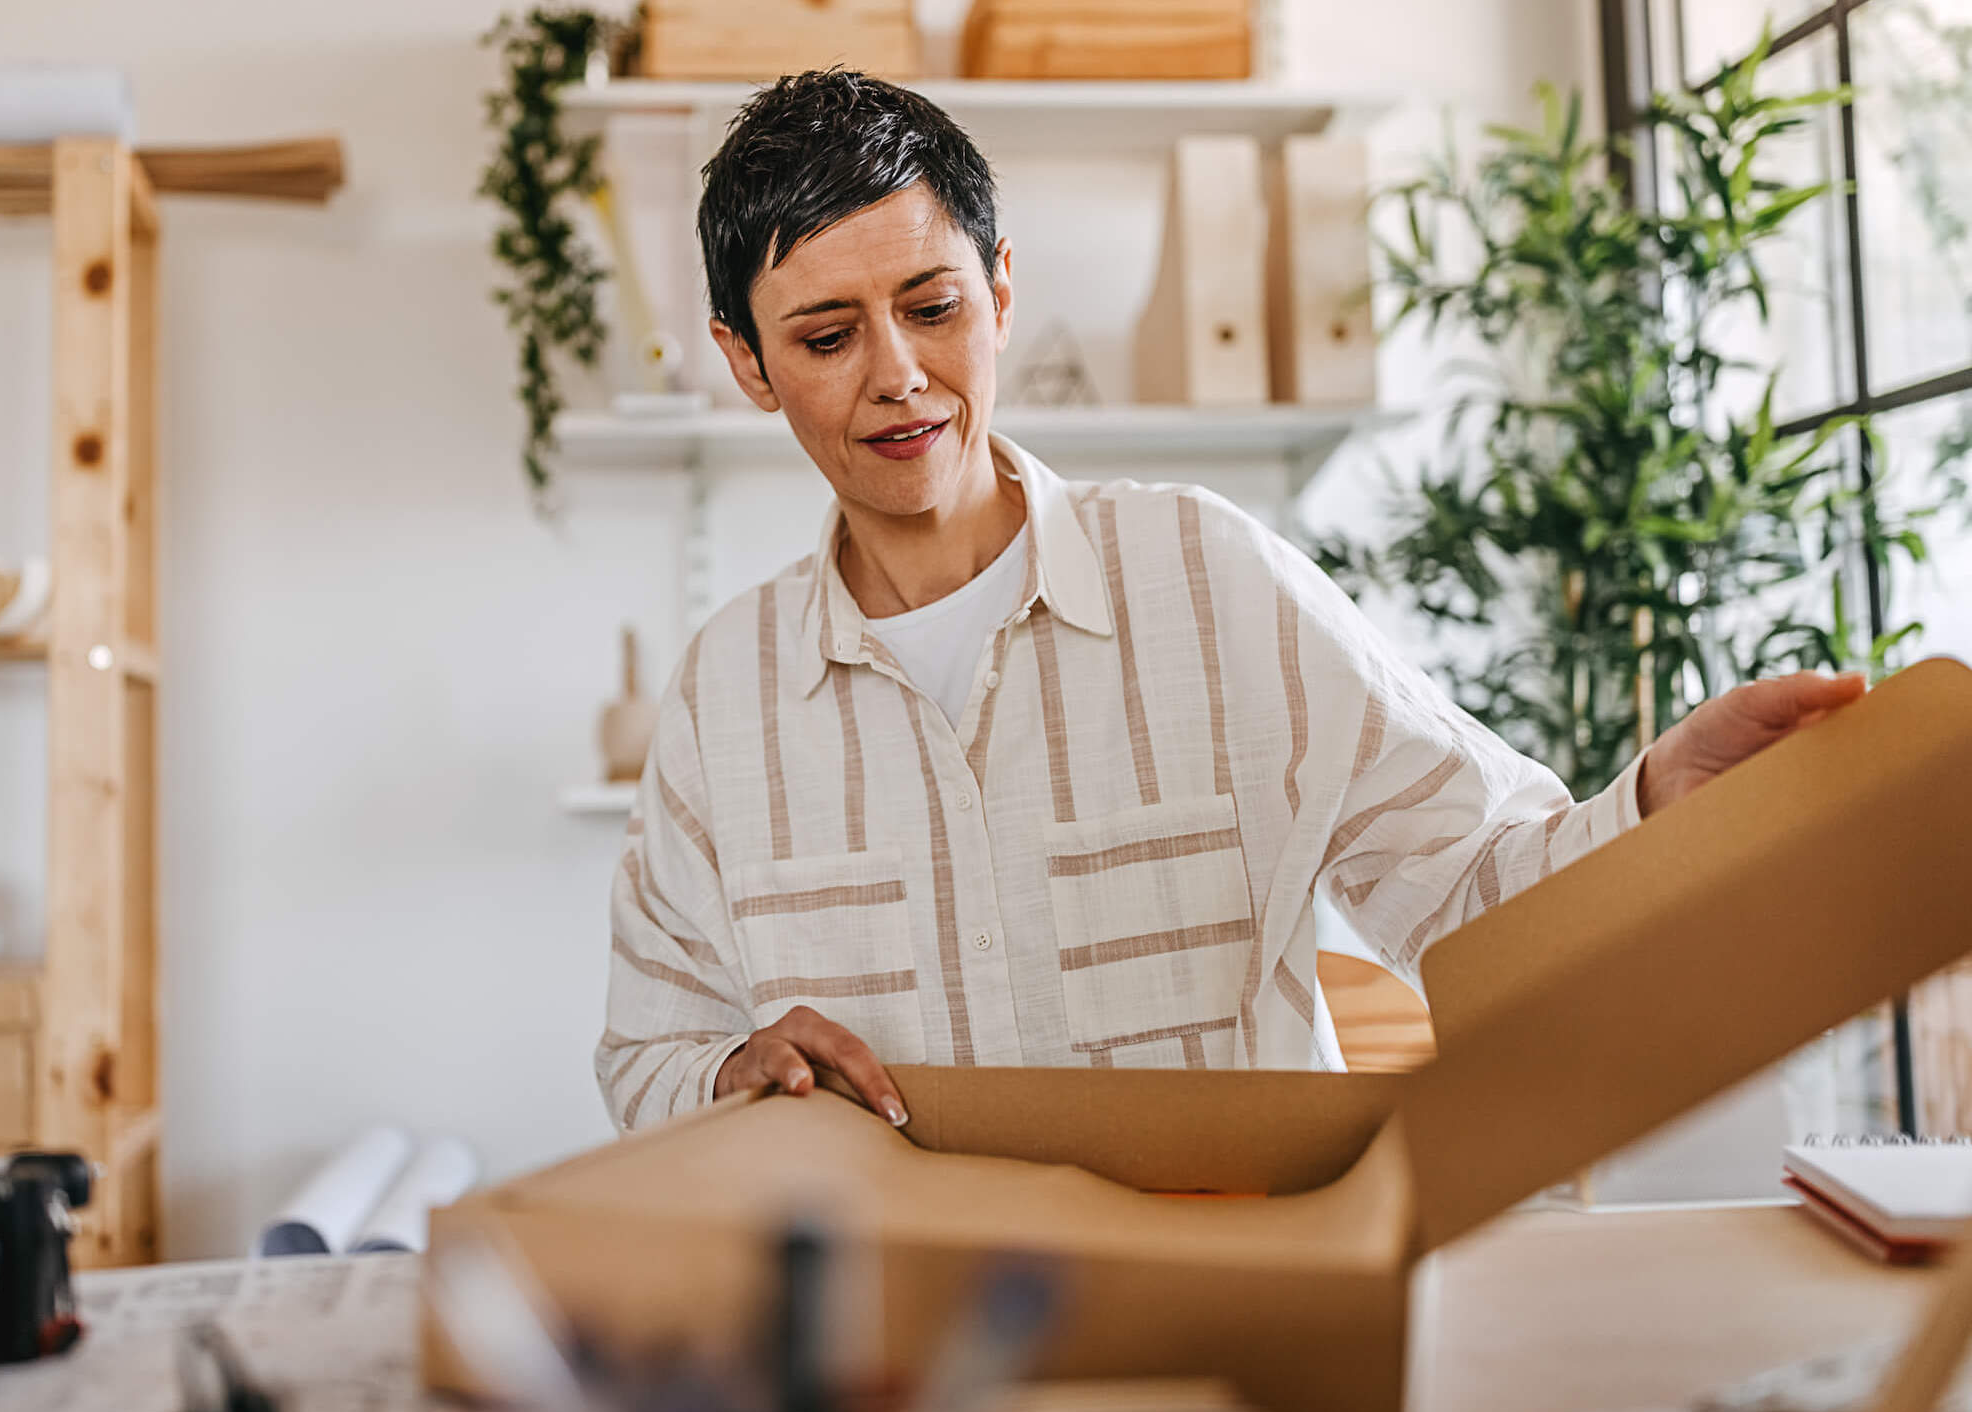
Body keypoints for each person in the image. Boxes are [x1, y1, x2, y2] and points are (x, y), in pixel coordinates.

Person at [594, 69, 1862, 1134]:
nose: (902, 376)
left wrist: (1655, 814)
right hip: (914, 1347)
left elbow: (1479, 886)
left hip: (1238, 1307)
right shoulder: (726, 694)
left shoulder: (1212, 581)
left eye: (933, 308)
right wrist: (726, 1073)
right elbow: (648, 1053)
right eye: (826, 338)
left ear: (1001, 292)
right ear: (747, 364)